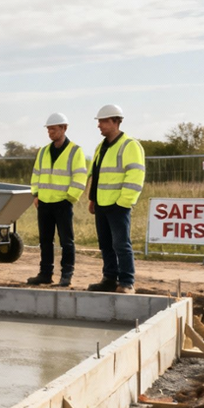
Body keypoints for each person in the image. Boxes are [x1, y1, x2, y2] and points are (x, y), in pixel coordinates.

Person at [86, 104, 145, 294]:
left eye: (103, 121)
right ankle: (109, 279)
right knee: (105, 244)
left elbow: (135, 176)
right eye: (99, 121)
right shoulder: (100, 147)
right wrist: (92, 199)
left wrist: (124, 202)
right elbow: (95, 174)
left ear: (115, 122)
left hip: (118, 205)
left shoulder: (130, 145)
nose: (99, 125)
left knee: (121, 244)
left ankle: (127, 282)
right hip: (102, 203)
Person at [26, 113, 87, 287]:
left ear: (64, 128)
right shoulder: (44, 151)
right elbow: (36, 174)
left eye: (53, 129)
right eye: (48, 129)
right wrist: (36, 195)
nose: (50, 132)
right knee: (45, 241)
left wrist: (70, 198)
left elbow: (80, 176)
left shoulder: (75, 151)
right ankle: (45, 273)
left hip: (63, 203)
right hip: (44, 202)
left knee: (66, 241)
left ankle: (66, 274)